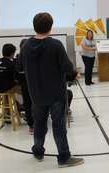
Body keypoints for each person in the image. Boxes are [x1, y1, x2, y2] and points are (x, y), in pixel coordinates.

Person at [17, 12, 83, 167]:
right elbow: (67, 67)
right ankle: (64, 157)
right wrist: (74, 74)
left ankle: (38, 151)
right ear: (50, 26)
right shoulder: (55, 44)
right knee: (58, 125)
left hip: (36, 93)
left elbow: (20, 67)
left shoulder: (26, 46)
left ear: (34, 26)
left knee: (39, 123)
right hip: (55, 93)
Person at [16, 39, 34, 135]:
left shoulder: (19, 57)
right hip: (32, 83)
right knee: (33, 103)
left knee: (28, 103)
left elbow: (18, 71)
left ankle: (31, 125)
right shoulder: (32, 55)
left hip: (25, 83)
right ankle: (34, 124)